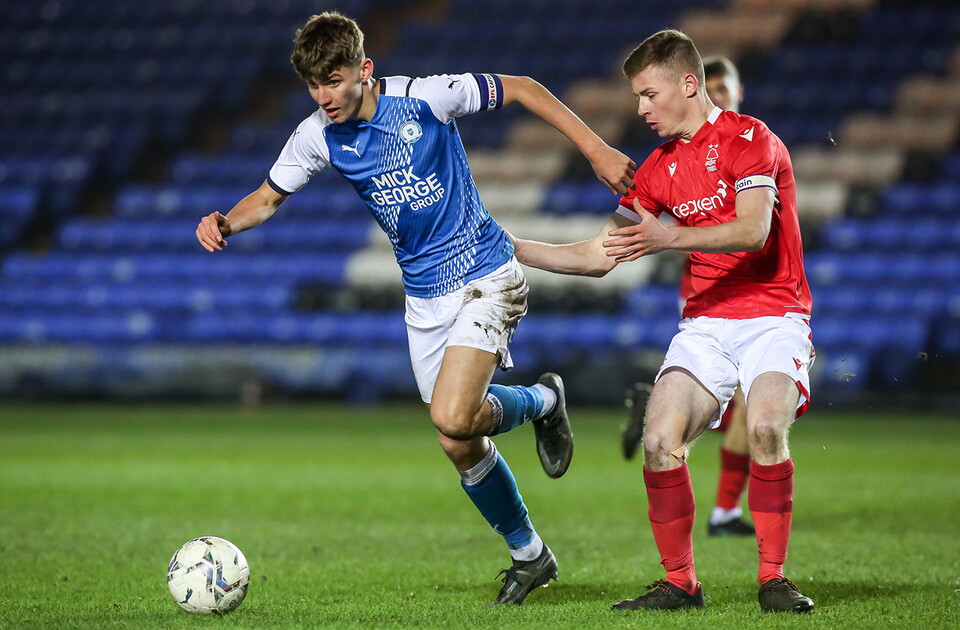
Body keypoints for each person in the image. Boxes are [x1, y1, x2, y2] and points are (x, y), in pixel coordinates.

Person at [195, 11, 635, 606]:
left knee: (453, 415)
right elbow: (269, 198)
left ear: (364, 69)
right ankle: (531, 554)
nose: (325, 95)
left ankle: (543, 400)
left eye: (335, 79)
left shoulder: (427, 98)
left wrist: (597, 148)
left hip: (485, 272)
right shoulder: (317, 136)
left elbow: (524, 88)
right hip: (423, 297)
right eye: (314, 85)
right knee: (458, 441)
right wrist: (225, 221)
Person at [510, 30, 815, 613]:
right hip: (705, 326)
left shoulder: (751, 140)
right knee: (657, 440)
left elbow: (754, 231)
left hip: (774, 317)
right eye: (637, 98)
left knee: (767, 429)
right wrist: (510, 247)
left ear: (688, 84)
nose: (641, 109)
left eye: (649, 95)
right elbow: (600, 255)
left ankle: (773, 579)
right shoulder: (656, 170)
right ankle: (680, 583)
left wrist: (670, 236)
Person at [622, 55, 755, 539]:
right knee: (742, 401)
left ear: (736, 93)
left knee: (744, 405)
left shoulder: (750, 143)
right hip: (708, 296)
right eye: (711, 86)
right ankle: (722, 512)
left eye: (725, 88)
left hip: (763, 301)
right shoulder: (675, 160)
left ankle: (660, 407)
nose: (717, 95)